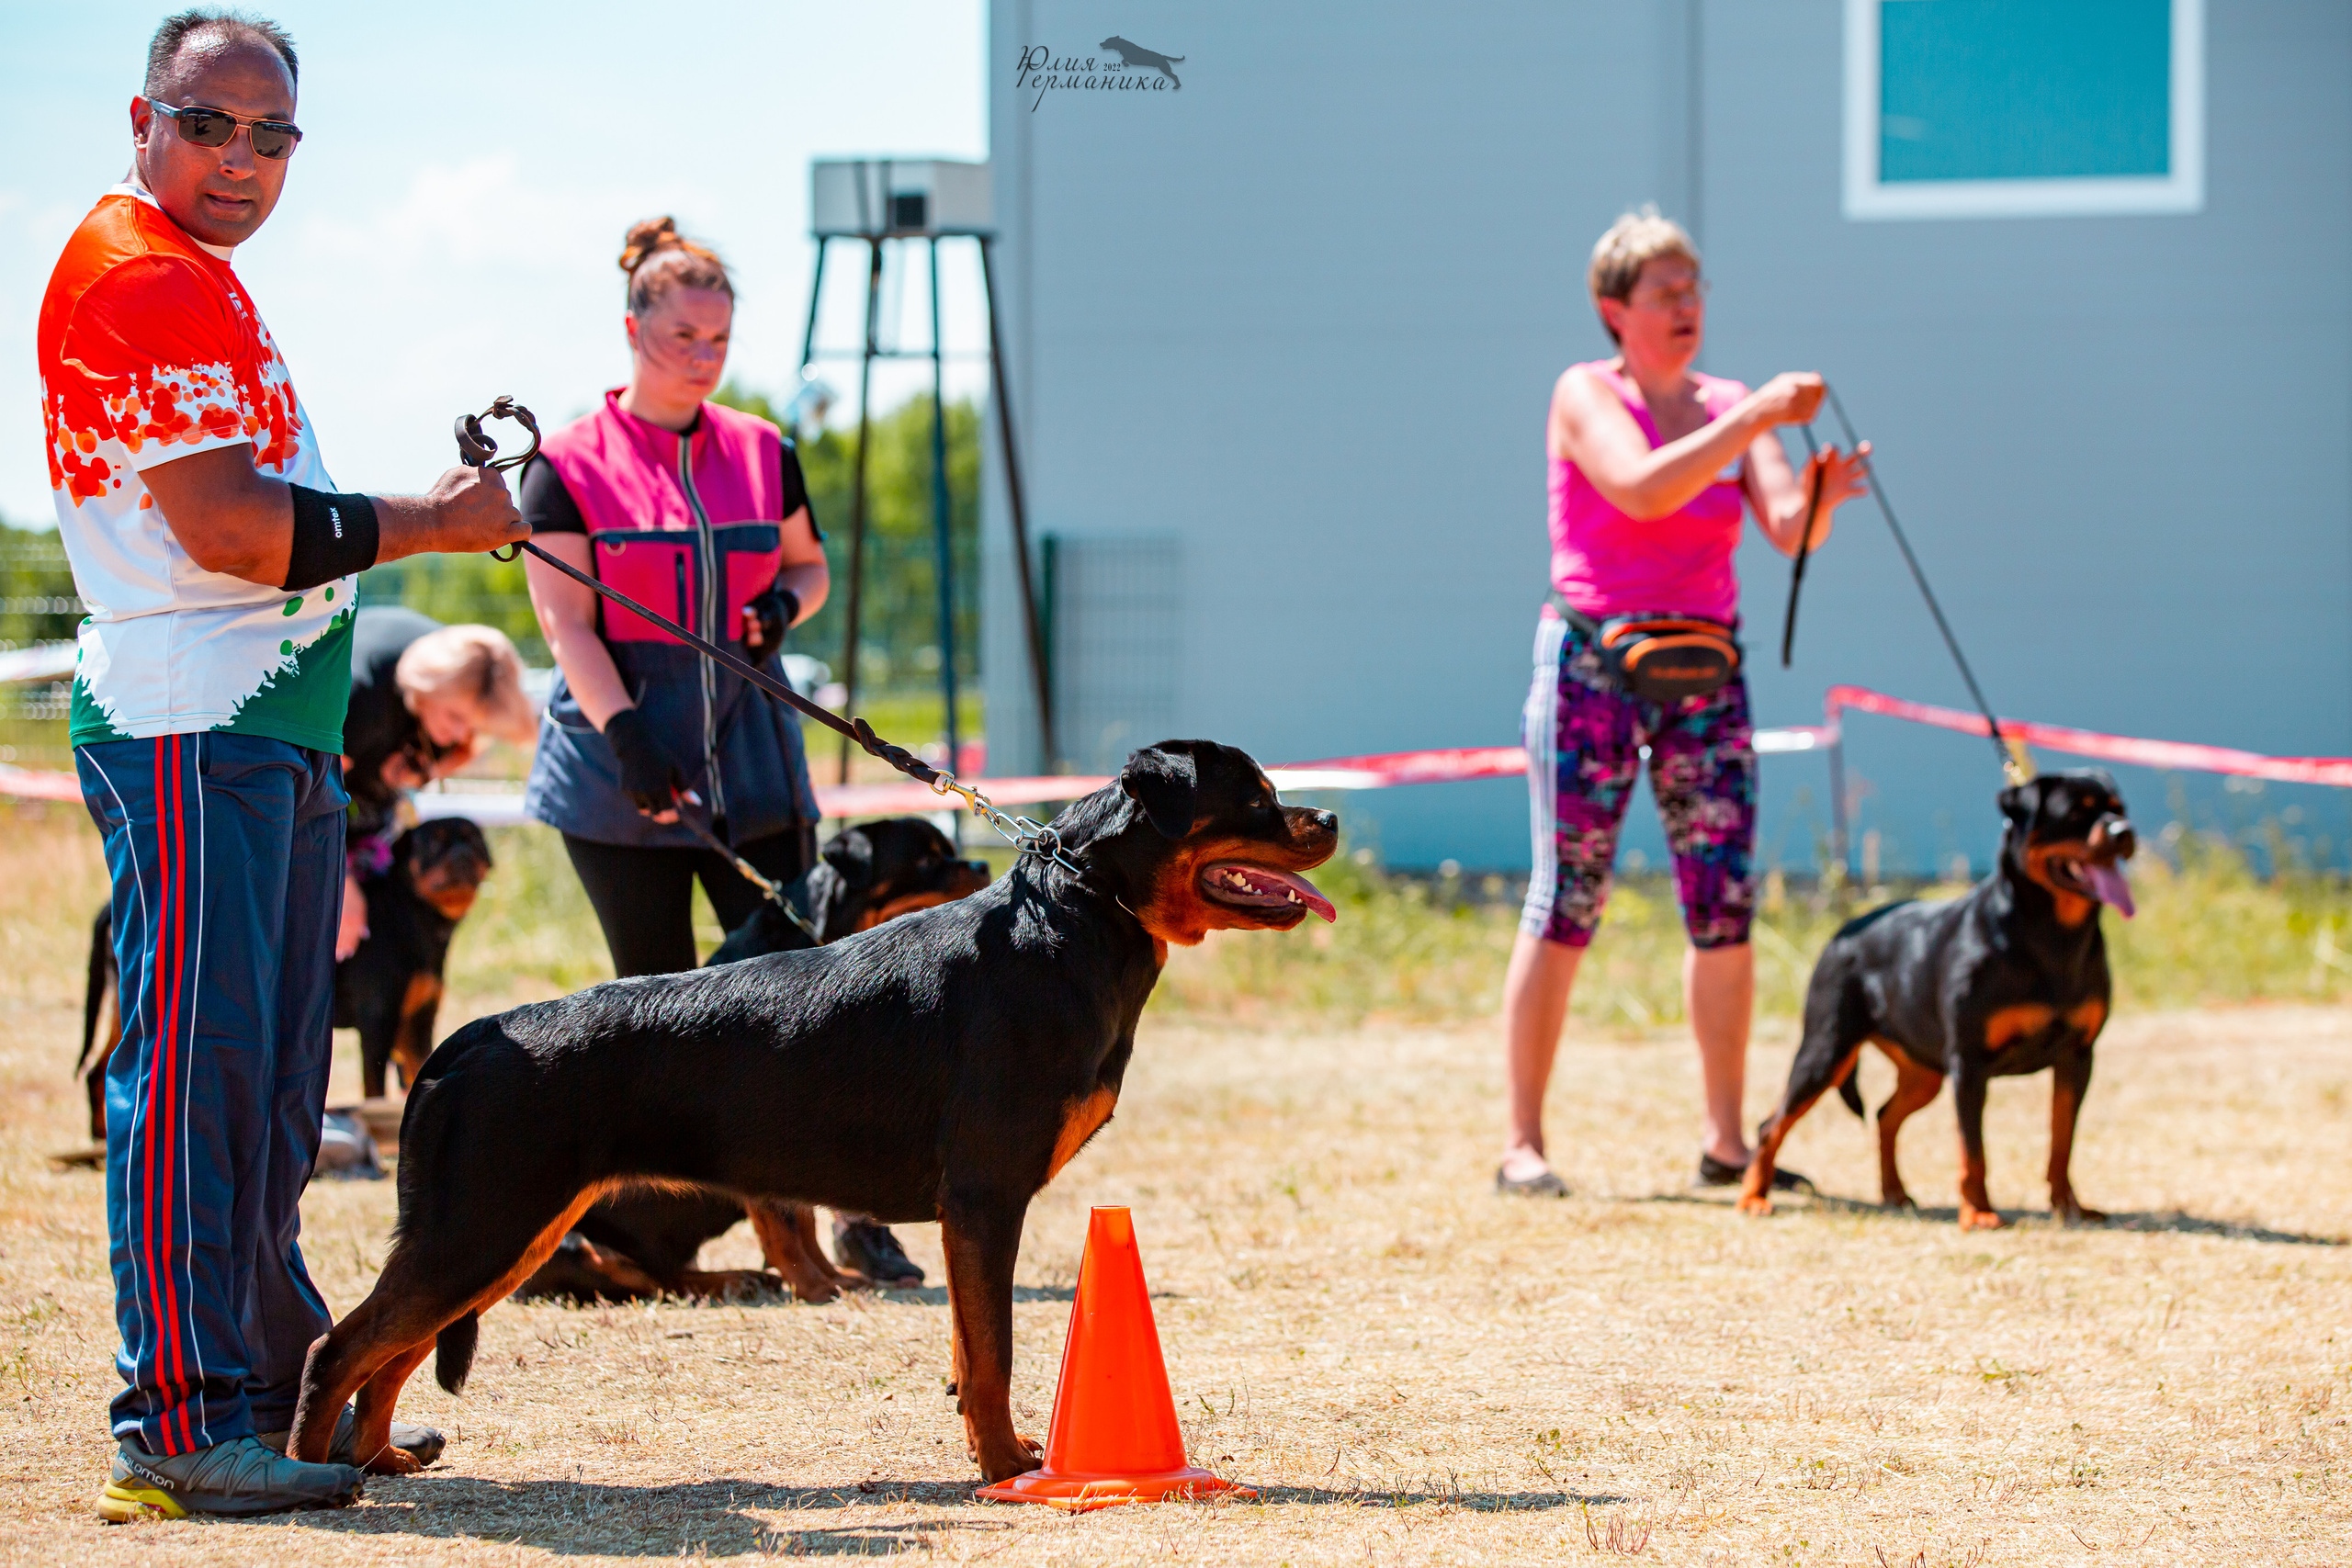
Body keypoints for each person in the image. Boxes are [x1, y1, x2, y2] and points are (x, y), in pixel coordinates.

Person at [40, 10, 527, 1519]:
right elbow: (236, 533)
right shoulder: (139, 275)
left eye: (272, 134)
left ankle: (268, 1394)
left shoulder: (199, 280)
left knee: (263, 1094)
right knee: (200, 1080)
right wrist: (439, 524)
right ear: (142, 119)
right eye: (211, 124)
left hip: (260, 732)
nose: (243, 158)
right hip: (193, 729)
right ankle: (178, 1423)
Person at [519, 219, 919, 1285]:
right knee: (655, 1017)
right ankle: (642, 1243)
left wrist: (781, 608)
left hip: (755, 764)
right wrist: (627, 740)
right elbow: (567, 628)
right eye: (684, 335)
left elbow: (809, 568)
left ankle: (855, 1217)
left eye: (720, 339)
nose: (703, 356)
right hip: (622, 774)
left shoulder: (760, 447)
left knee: (823, 1006)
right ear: (633, 328)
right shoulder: (566, 464)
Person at [1498, 209, 1871, 1199]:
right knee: (1566, 896)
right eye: (1664, 292)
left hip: (1705, 674)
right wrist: (1751, 422)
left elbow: (1787, 529)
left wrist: (1823, 493)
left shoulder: (1731, 402)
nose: (1685, 307)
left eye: (1693, 290)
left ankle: (1723, 1142)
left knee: (1723, 904)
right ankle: (1523, 1143)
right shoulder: (1585, 393)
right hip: (1591, 666)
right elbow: (1643, 490)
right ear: (1614, 309)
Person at [338, 607, 536, 961]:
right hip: (305, 812)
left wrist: (426, 771)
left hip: (365, 820)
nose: (461, 734)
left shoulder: (470, 676)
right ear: (424, 692)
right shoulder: (362, 697)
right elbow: (304, 796)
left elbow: (471, 739)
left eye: (473, 725)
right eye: (455, 719)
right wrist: (340, 885)